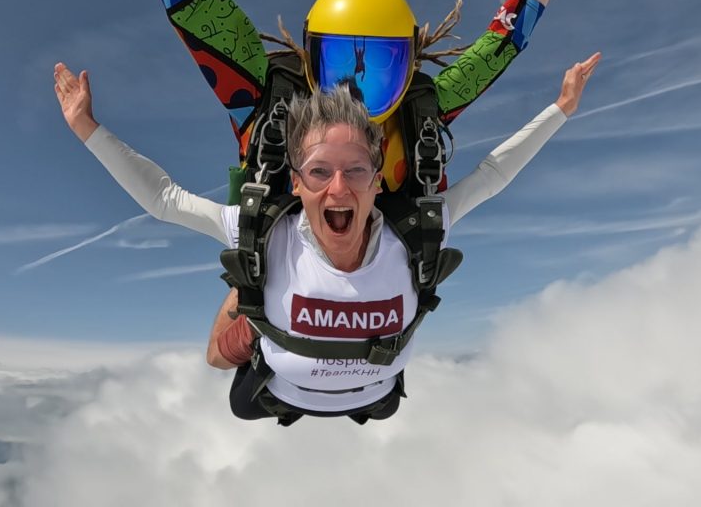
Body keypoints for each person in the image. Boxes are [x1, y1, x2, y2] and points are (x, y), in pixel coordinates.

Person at [53, 50, 601, 423]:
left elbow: (493, 176)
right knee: (237, 383)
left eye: (356, 170)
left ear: (377, 180)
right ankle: (250, 299)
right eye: (319, 172)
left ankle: (251, 302)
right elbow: (163, 199)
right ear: (296, 182)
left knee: (329, 392)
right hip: (281, 393)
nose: (338, 187)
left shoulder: (412, 232)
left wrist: (561, 108)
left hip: (376, 397)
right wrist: (86, 128)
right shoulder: (268, 231)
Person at [137, 0, 582, 196]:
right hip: (282, 311)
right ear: (310, 61)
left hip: (372, 318)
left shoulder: (416, 111)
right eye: (338, 65)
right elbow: (192, 6)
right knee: (225, 340)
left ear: (408, 69)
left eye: (381, 69)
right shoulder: (268, 99)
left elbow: (497, 46)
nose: (354, 94)